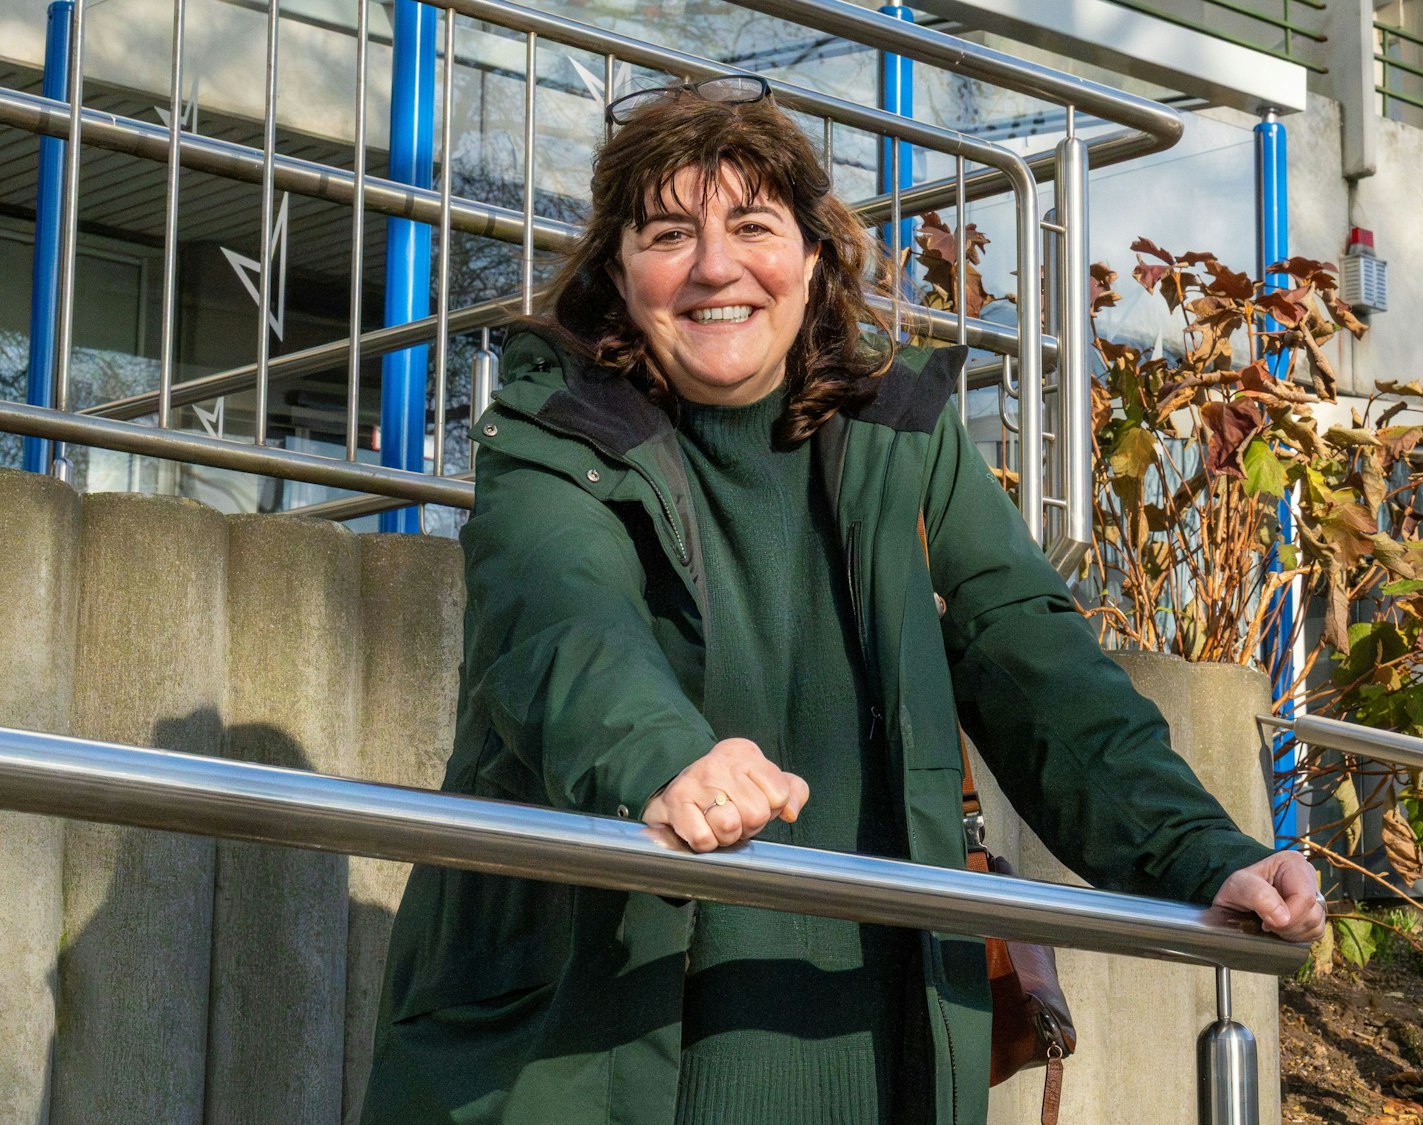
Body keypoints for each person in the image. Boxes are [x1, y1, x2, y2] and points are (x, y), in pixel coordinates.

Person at [360, 76, 1324, 1125]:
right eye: (668, 234)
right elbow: (559, 623)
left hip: (873, 1039)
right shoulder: (551, 435)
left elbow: (1037, 667)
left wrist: (1204, 855)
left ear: (811, 258)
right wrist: (660, 758)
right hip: (596, 1040)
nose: (714, 266)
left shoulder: (902, 440)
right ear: (620, 270)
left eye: (752, 226)